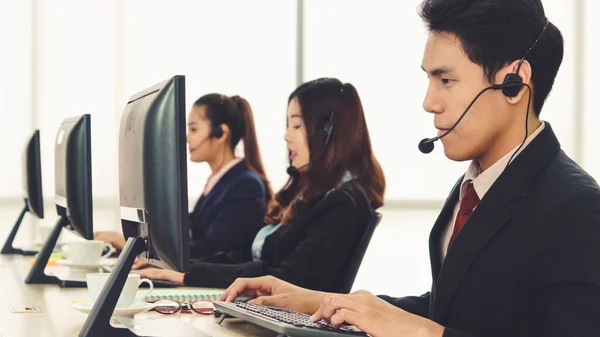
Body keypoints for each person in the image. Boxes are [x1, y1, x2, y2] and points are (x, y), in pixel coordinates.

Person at [216, 1, 600, 336]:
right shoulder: (476, 185)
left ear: (514, 83)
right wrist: (316, 301)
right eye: (429, 79)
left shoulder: (577, 208)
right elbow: (454, 310)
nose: (429, 102)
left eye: (446, 80)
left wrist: (421, 332)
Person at [132, 78, 386, 293]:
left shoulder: (342, 204)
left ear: (330, 132)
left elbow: (284, 278)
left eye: (296, 125)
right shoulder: (309, 197)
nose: (287, 135)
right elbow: (246, 257)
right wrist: (181, 270)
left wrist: (186, 275)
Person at [95, 94, 273, 259]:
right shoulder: (220, 181)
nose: (187, 138)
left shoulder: (245, 185)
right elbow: (190, 224)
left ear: (221, 134)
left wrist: (134, 246)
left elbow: (212, 249)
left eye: (193, 129)